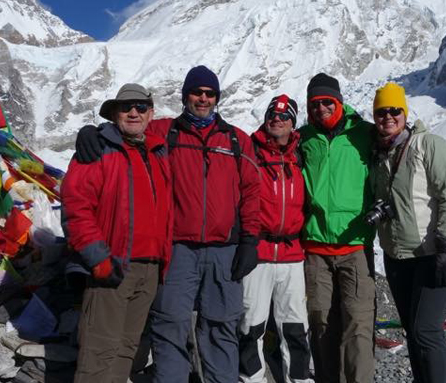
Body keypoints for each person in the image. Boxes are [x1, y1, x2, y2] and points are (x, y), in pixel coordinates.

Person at [145, 65, 261, 383]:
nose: (203, 99)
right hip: (178, 248)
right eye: (197, 92)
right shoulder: (164, 132)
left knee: (221, 326)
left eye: (210, 94)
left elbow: (252, 193)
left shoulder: (237, 140)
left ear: (216, 98)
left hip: (225, 250)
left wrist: (250, 241)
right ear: (186, 96)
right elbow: (128, 128)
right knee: (170, 324)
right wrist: (98, 133)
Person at [61, 83, 173, 383]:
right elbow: (75, 207)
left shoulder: (157, 150)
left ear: (151, 113)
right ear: (114, 113)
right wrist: (98, 258)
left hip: (150, 268)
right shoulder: (98, 149)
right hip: (114, 266)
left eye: (140, 107)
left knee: (126, 350)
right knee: (99, 353)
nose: (133, 112)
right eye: (126, 107)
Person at [369, 82, 446, 383]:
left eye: (394, 110)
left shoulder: (428, 145)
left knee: (426, 330)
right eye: (381, 111)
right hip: (398, 258)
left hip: (433, 254)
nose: (388, 116)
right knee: (413, 330)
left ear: (405, 113)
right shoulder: (377, 154)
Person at [298, 73, 376, 383]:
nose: (320, 109)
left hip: (354, 247)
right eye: (314, 104)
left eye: (326, 102)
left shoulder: (364, 134)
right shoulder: (302, 138)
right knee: (321, 325)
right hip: (315, 248)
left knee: (358, 325)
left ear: (339, 102)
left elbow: (398, 150)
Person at [239, 95, 312, 383]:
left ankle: (298, 379)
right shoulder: (249, 151)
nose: (277, 119)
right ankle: (251, 379)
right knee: (250, 325)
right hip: (259, 251)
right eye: (273, 114)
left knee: (294, 326)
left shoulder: (301, 155)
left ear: (293, 122)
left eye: (284, 115)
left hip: (293, 253)